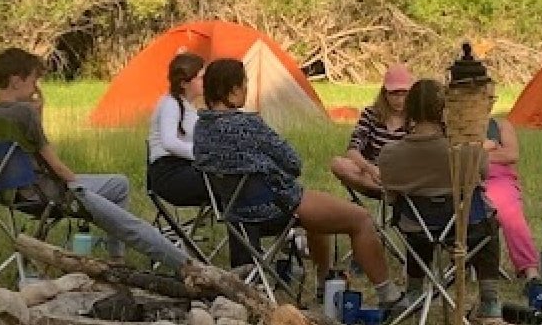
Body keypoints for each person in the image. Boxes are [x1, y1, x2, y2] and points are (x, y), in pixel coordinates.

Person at [194, 58, 398, 305]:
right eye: (244, 84)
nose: (247, 90)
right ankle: (389, 296)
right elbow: (293, 163)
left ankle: (324, 284)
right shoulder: (248, 124)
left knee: (319, 210)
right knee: (361, 219)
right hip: (276, 205)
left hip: (233, 211)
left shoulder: (201, 128)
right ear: (233, 90)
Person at [0, 48, 190, 271]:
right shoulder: (23, 113)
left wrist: (38, 114)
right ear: (16, 81)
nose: (36, 87)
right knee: (129, 224)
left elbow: (22, 153)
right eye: (33, 80)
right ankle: (186, 265)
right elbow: (57, 166)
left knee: (119, 183)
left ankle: (118, 260)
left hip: (11, 193)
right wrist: (78, 188)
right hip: (48, 192)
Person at [375, 79, 505, 321]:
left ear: (409, 111)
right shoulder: (466, 151)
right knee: (488, 222)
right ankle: (489, 299)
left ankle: (415, 290)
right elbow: (484, 175)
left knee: (416, 223)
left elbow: (391, 196)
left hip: (417, 229)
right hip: (467, 228)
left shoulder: (390, 154)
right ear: (444, 110)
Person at [329, 65, 414, 198]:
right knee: (338, 164)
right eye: (394, 94)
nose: (400, 100)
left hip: (404, 176)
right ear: (385, 93)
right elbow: (352, 150)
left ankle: (395, 192)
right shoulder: (371, 114)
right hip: (373, 174)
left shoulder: (416, 118)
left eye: (404, 94)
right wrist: (369, 169)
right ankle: (387, 192)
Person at [145, 52, 207, 210]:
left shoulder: (189, 107)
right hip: (169, 174)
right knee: (224, 182)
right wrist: (202, 154)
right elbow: (169, 143)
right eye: (200, 77)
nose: (205, 81)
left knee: (228, 180)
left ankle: (241, 227)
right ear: (184, 83)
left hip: (185, 167)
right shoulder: (170, 104)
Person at [479, 113, 539, 276]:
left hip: (498, 180)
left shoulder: (499, 125)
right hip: (462, 180)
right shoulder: (450, 124)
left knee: (509, 211)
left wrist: (478, 153)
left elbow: (511, 155)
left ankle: (530, 270)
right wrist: (490, 149)